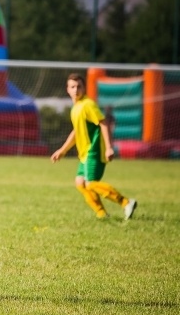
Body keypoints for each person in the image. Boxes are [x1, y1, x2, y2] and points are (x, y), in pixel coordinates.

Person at [51, 73, 137, 220]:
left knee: (91, 184)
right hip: (85, 153)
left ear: (84, 88)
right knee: (80, 183)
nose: (76, 89)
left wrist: (109, 147)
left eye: (79, 86)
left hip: (95, 150)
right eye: (73, 87)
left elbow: (103, 122)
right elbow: (77, 132)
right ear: (68, 89)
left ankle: (126, 202)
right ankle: (102, 214)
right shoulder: (76, 108)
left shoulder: (88, 105)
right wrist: (63, 150)